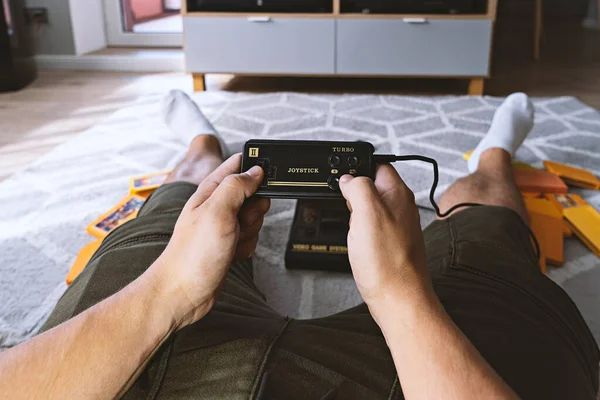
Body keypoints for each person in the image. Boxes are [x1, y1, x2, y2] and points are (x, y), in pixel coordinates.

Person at [0, 91, 597, 400]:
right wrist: (401, 299)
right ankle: (492, 161)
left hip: (142, 371)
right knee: (485, 236)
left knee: (173, 217)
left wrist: (170, 290)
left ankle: (202, 151)